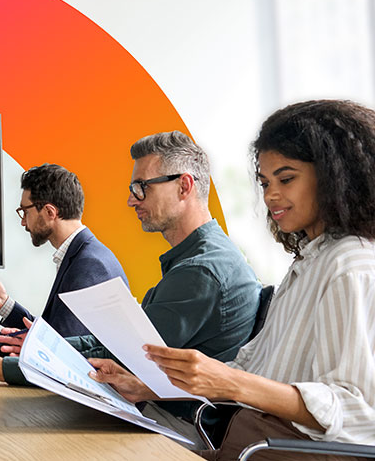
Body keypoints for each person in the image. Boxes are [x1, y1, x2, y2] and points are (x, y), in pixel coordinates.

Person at [91, 100, 375, 460]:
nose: (271, 195)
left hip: (275, 451)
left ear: (336, 176)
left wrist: (229, 382)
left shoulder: (350, 265)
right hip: (247, 441)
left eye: (286, 179)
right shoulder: (310, 259)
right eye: (265, 182)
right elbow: (248, 369)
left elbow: (357, 410)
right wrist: (150, 387)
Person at [0, 132, 259, 436]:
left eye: (142, 187)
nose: (132, 200)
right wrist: (27, 342)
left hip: (176, 425)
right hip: (160, 410)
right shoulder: (194, 260)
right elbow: (109, 344)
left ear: (184, 187)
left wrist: (4, 368)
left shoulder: (201, 270)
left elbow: (124, 357)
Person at [0, 164, 128, 354]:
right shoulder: (82, 254)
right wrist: (5, 304)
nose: (23, 221)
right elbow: (53, 333)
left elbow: (58, 349)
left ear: (49, 212)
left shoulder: (89, 264)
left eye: (25, 211)